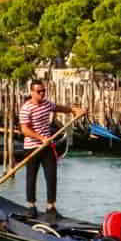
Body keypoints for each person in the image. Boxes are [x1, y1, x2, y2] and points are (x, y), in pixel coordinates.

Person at [17, 79, 86, 223]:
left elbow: (58, 108)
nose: (42, 93)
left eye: (43, 91)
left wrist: (73, 110)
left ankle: (51, 207)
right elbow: (25, 130)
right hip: (32, 147)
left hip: (47, 146)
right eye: (39, 91)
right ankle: (31, 206)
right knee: (31, 176)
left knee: (51, 175)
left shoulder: (47, 104)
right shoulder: (26, 109)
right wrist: (40, 138)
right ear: (31, 92)